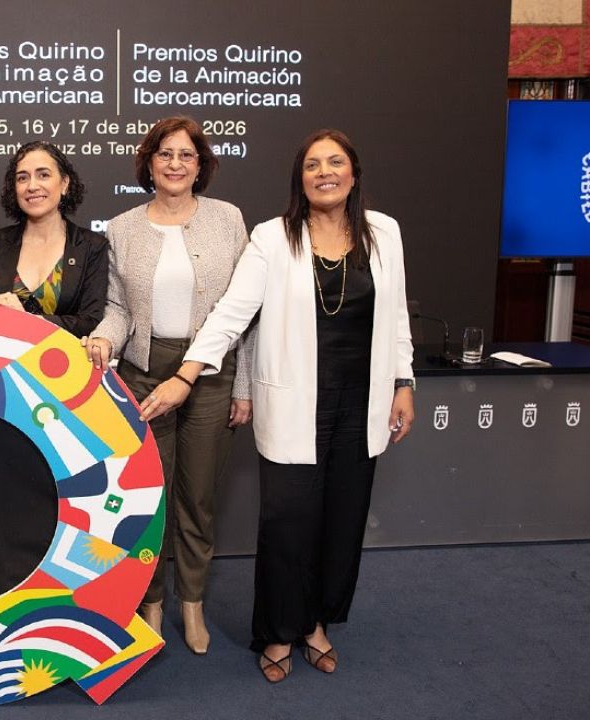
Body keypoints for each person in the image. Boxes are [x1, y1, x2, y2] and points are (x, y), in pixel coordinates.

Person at [137, 129, 415, 683]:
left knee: (341, 522)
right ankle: (278, 630)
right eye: (312, 164)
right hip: (294, 406)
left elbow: (398, 313)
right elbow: (231, 314)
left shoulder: (384, 232)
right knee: (289, 525)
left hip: (361, 405)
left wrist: (404, 380)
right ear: (300, 178)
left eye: (335, 162)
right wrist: (187, 376)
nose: (324, 172)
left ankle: (316, 624)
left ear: (353, 174)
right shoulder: (273, 236)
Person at [85, 116, 255, 655]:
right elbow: (116, 308)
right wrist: (103, 342)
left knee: (198, 497)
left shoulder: (228, 220)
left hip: (211, 372)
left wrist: (243, 385)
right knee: (150, 496)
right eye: (165, 154)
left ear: (201, 164)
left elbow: (244, 311)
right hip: (143, 369)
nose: (176, 164)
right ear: (149, 164)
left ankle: (193, 604)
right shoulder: (122, 226)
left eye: (186, 155)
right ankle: (152, 602)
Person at [0, 140, 107, 335]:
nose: (32, 186)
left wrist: (27, 321)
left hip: (64, 361)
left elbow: (91, 322)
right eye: (22, 178)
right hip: (3, 362)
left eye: (44, 175)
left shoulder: (92, 246)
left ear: (64, 184)